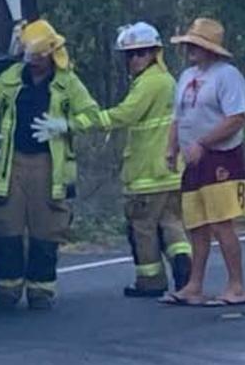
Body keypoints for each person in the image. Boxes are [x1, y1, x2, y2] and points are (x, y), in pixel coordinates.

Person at [0, 19, 98, 310]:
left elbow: (92, 116)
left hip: (48, 166)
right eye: (29, 57)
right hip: (12, 164)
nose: (33, 63)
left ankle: (41, 291)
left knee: (46, 231)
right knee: (7, 228)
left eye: (38, 57)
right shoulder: (10, 79)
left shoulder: (67, 83)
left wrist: (64, 125)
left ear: (50, 54)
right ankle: (7, 291)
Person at [63, 22, 191, 297]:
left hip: (147, 174)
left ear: (154, 53)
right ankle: (185, 272)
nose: (133, 60)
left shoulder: (149, 83)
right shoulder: (168, 81)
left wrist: (74, 124)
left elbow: (124, 114)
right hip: (170, 172)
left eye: (140, 53)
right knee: (171, 223)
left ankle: (151, 281)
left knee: (142, 228)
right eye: (130, 55)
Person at [160, 18, 245, 307]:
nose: (189, 49)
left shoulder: (227, 76)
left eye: (195, 45)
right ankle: (194, 285)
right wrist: (172, 148)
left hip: (221, 157)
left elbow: (236, 118)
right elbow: (179, 117)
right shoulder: (186, 76)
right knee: (196, 225)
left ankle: (236, 285)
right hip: (193, 159)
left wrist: (204, 142)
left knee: (222, 223)